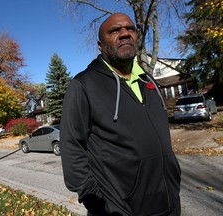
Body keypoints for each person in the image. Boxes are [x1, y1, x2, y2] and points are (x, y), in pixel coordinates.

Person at [60, 12, 181, 216]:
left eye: (130, 29)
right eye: (115, 30)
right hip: (120, 208)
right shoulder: (84, 84)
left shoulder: (148, 81)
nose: (125, 34)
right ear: (100, 45)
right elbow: (72, 146)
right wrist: (95, 202)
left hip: (168, 202)